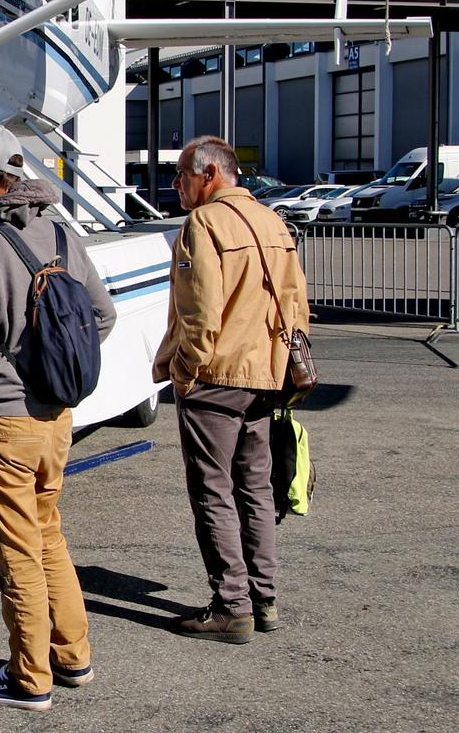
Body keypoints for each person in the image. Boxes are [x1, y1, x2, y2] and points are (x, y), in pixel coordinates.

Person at [0, 122, 117, 711]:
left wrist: (11, 356)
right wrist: (49, 360)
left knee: (15, 552)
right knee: (47, 535)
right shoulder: (60, 233)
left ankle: (29, 680)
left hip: (1, 419)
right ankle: (72, 656)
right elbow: (103, 317)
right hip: (55, 415)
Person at [154, 135, 308, 643]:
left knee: (213, 490)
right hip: (266, 375)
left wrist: (185, 370)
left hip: (217, 377)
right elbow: (297, 302)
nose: (176, 184)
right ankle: (264, 599)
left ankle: (231, 605)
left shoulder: (203, 223)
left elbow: (200, 312)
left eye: (182, 175)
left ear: (210, 174)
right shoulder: (272, 220)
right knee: (255, 488)